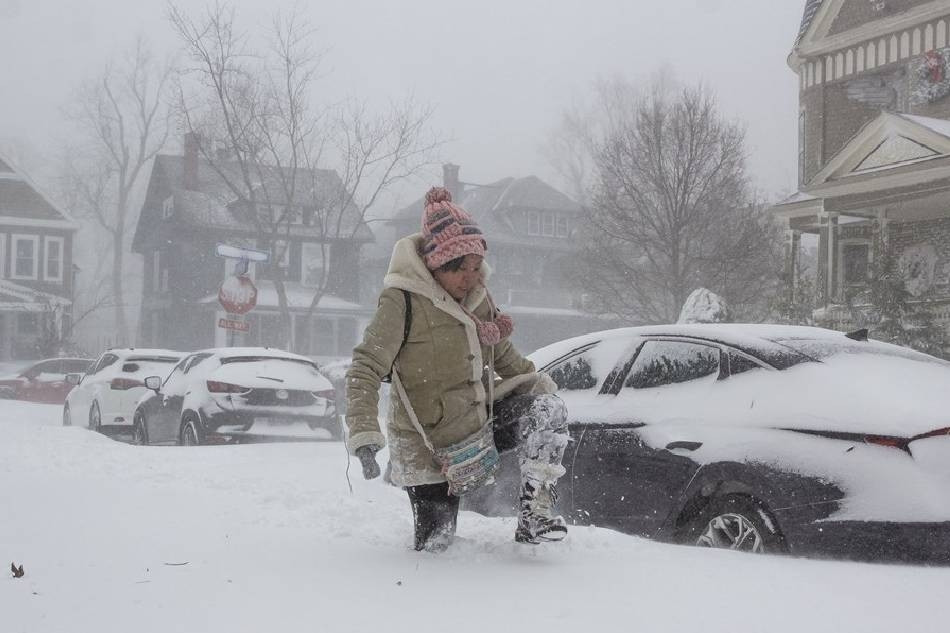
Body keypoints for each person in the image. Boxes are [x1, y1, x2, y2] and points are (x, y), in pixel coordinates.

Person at [345, 187, 571, 552]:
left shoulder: (478, 301)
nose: (471, 278)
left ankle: (536, 515)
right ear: (437, 264)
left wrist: (548, 387)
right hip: (427, 444)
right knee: (438, 547)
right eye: (459, 269)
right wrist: (365, 433)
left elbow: (508, 360)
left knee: (547, 409)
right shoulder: (402, 300)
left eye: (475, 267)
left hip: (478, 426)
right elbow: (365, 367)